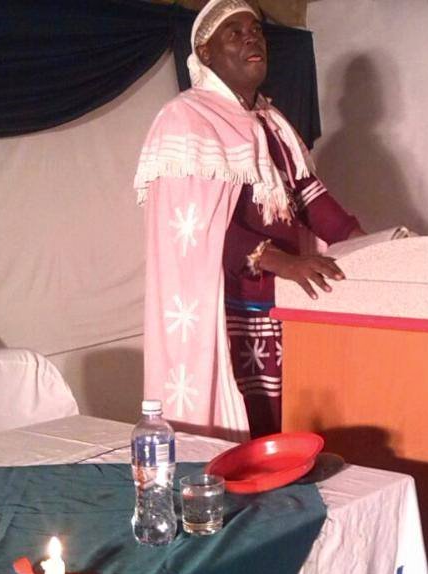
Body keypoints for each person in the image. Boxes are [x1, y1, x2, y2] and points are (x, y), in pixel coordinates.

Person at [135, 0, 392, 440]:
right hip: (228, 304)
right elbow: (197, 227)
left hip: (283, 297)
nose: (251, 37)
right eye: (234, 32)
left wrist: (372, 246)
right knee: (246, 432)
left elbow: (308, 197)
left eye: (255, 30)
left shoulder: (271, 121)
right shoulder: (185, 119)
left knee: (290, 424)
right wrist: (282, 262)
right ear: (205, 53)